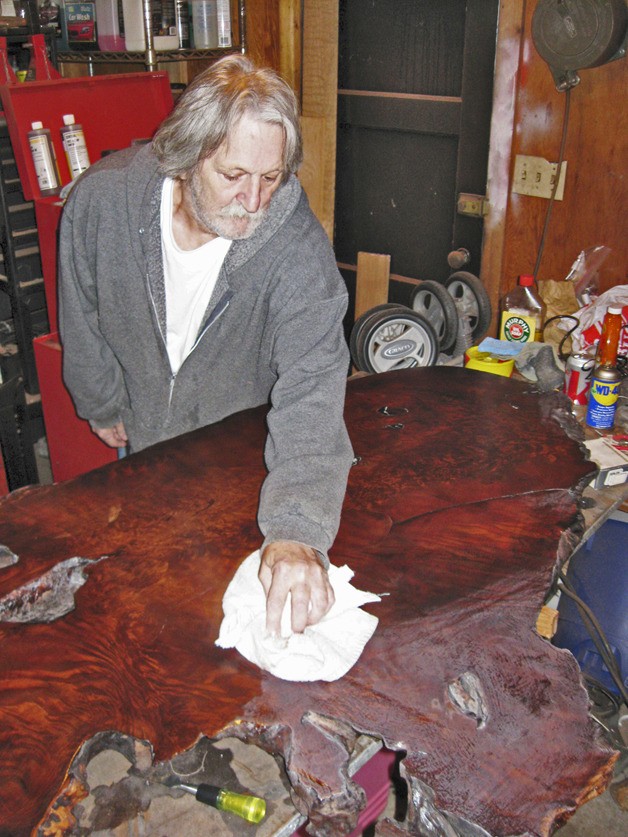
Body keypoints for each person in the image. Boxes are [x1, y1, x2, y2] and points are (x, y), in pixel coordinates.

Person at [58, 55, 353, 637]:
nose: (254, 201)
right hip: (141, 443)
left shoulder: (297, 254)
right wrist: (100, 401)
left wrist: (295, 532)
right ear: (188, 155)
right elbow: (80, 306)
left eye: (271, 178)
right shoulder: (105, 200)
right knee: (144, 614)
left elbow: (314, 393)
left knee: (214, 625)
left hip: (236, 463)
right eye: (234, 175)